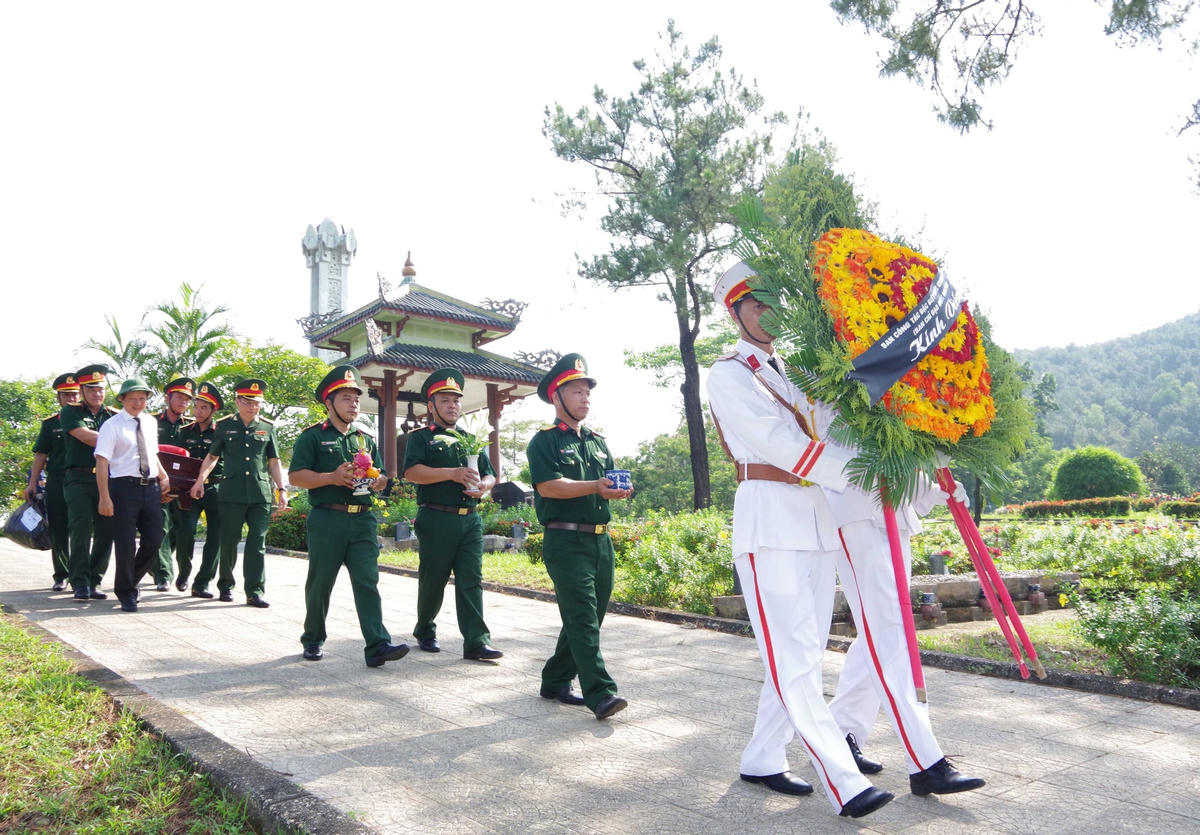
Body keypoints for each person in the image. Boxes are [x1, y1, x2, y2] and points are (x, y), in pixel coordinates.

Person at [706, 262, 892, 819]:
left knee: (805, 651)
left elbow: (833, 429)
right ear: (735, 312)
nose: (767, 311)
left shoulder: (796, 373)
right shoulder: (729, 374)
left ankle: (763, 757)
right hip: (769, 522)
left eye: (773, 301)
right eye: (755, 303)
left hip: (813, 518)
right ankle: (843, 781)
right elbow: (779, 443)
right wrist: (856, 472)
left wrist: (885, 453)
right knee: (792, 655)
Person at [824, 472, 987, 797]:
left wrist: (934, 488)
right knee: (889, 636)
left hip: (892, 511)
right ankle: (926, 763)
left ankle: (840, 734)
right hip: (856, 510)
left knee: (878, 636)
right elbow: (850, 455)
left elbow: (896, 458)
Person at [526, 353, 631, 720]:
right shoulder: (544, 442)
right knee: (583, 618)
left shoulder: (598, 442)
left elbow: (607, 483)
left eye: (587, 392)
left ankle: (555, 679)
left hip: (601, 541)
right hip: (565, 542)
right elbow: (549, 487)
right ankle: (600, 693)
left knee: (588, 617)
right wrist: (594, 486)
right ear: (556, 397)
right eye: (577, 392)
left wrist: (617, 490)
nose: (585, 398)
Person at [288, 365, 410, 667]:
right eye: (346, 398)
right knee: (321, 582)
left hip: (363, 519)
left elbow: (381, 475)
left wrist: (379, 481)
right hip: (327, 519)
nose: (354, 404)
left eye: (356, 399)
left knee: (368, 581)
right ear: (329, 403)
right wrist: (331, 477)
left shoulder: (364, 439)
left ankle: (378, 645)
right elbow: (296, 476)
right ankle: (313, 638)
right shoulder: (312, 437)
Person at [402, 368, 502, 662]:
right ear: (431, 405)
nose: (452, 406)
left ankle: (476, 642)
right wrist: (452, 473)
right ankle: (425, 629)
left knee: (471, 578)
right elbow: (412, 472)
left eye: (456, 400)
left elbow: (490, 473)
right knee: (434, 579)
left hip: (470, 518)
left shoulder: (471, 439)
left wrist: (484, 486)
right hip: (436, 517)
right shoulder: (422, 438)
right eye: (444, 400)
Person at [189, 378, 287, 607]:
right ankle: (226, 586)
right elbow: (212, 456)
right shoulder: (224, 426)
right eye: (248, 402)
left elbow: (273, 461)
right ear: (238, 401)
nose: (253, 407)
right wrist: (200, 481)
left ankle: (255, 591)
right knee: (229, 541)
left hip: (260, 494)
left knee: (257, 543)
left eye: (257, 403)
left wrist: (282, 489)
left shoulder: (267, 427)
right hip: (231, 494)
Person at [95, 378, 172, 612]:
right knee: (126, 544)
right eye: (133, 399)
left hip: (150, 487)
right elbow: (102, 461)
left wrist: (164, 476)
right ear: (122, 399)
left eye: (142, 398)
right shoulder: (111, 425)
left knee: (155, 539)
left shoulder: (149, 422)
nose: (138, 403)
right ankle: (126, 593)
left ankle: (129, 582)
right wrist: (104, 497)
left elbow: (152, 453)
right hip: (123, 488)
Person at [60, 364, 118, 602]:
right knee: (81, 528)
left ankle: (95, 580)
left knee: (106, 530)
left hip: (108, 479)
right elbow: (86, 436)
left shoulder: (113, 415)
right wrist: (120, 440)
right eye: (91, 389)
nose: (97, 393)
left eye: (100, 389)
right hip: (79, 479)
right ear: (82, 391)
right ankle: (80, 581)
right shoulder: (70, 412)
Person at [25, 373, 82, 591]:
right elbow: (40, 454)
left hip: (84, 479)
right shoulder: (50, 424)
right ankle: (61, 574)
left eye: (74, 395)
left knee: (81, 528)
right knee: (58, 528)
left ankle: (80, 573)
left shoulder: (89, 421)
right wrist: (32, 484)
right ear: (59, 398)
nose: (71, 399)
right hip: (58, 479)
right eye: (66, 395)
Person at [177, 382, 224, 599]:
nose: (198, 412)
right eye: (196, 407)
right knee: (185, 531)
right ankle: (184, 571)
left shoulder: (222, 432)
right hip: (189, 488)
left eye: (204, 408)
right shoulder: (184, 431)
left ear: (214, 410)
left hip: (216, 486)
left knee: (216, 537)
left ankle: (202, 582)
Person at [154, 377, 194, 591]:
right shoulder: (152, 422)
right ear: (168, 398)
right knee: (160, 526)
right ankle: (163, 574)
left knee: (181, 529)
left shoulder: (191, 426)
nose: (183, 402)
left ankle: (158, 562)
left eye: (186, 399)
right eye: (179, 397)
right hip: (156, 483)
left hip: (182, 488)